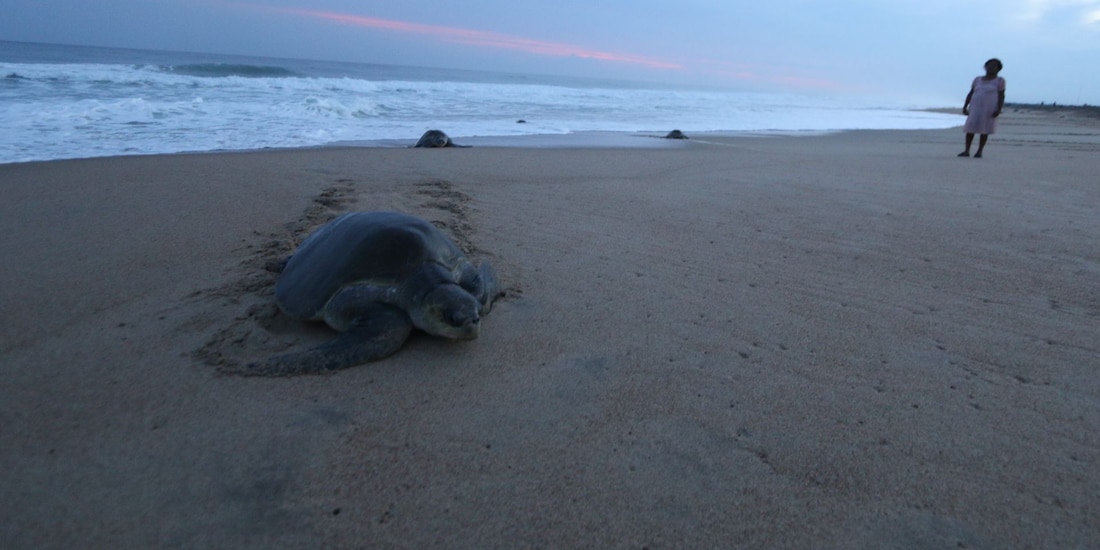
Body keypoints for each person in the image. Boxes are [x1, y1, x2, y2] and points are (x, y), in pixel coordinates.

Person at [958, 58, 1006, 158]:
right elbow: (971, 93)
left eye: (994, 66)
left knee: (985, 129)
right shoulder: (977, 79)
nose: (991, 67)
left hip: (989, 108)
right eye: (989, 65)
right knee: (970, 128)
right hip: (975, 107)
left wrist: (998, 109)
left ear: (998, 69)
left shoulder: (1000, 81)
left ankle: (979, 151)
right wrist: (965, 106)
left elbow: (1001, 95)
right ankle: (966, 150)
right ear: (985, 67)